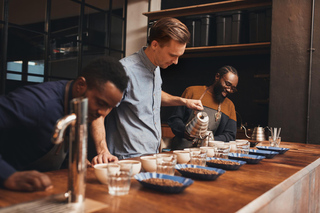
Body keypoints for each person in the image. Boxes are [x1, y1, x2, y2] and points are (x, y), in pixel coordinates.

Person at [0, 57, 128, 192]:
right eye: (100, 103)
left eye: (109, 107)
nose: (102, 113)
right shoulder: (37, 103)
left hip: (38, 189)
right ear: (80, 85)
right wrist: (8, 175)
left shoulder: (79, 106)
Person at [90, 17, 203, 162]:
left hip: (153, 156)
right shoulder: (123, 72)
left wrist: (184, 101)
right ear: (155, 44)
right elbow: (97, 114)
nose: (176, 62)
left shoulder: (155, 68)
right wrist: (103, 151)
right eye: (173, 55)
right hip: (128, 160)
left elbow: (151, 95)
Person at [167, 66, 239, 150]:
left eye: (233, 89)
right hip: (181, 150)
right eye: (228, 84)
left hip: (208, 152)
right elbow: (175, 119)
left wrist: (210, 140)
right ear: (217, 77)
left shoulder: (229, 106)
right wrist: (185, 131)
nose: (229, 90)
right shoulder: (192, 92)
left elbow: (230, 135)